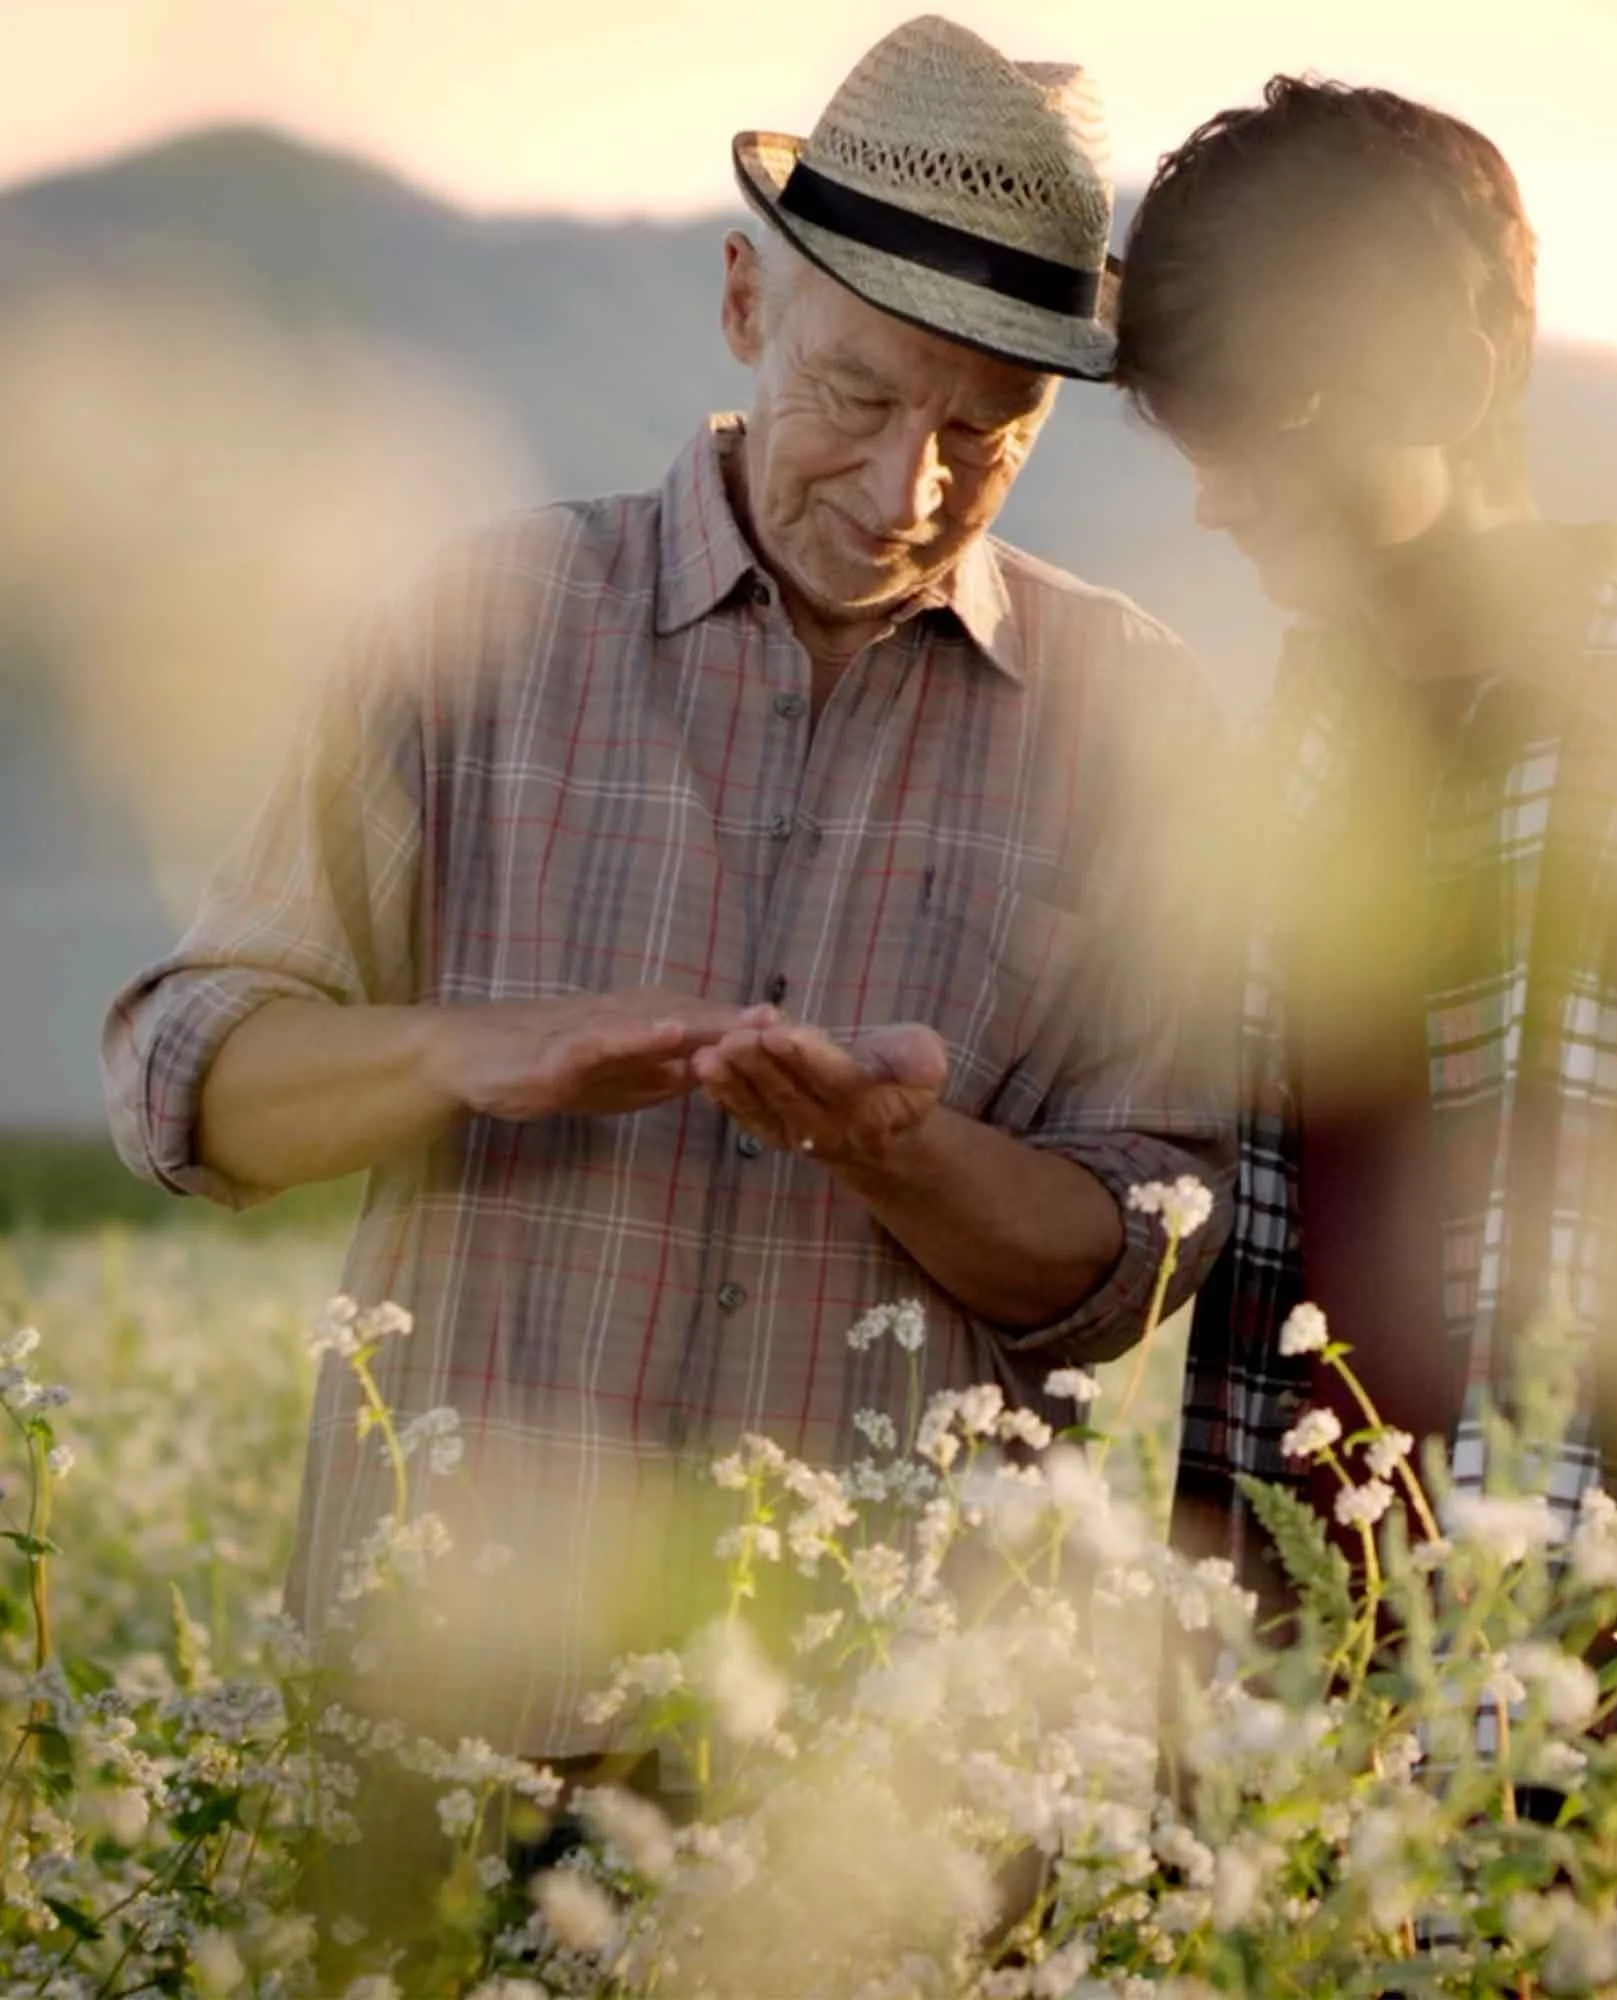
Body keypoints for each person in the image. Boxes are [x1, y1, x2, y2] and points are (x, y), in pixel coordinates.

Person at [102, 13, 1231, 1763]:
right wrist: (477, 1052)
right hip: (452, 1737)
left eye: (986, 432)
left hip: (881, 1781)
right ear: (740, 302)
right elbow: (186, 1083)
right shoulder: (474, 620)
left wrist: (896, 1150)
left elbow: (1145, 1254)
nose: (903, 487)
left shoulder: (1137, 726)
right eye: (857, 396)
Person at [1115, 77, 1617, 1937]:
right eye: (1192, 435)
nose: (1219, 493)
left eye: (1268, 418)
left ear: (1457, 373)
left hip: (1613, 1754)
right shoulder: (1297, 743)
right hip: (1316, 1744)